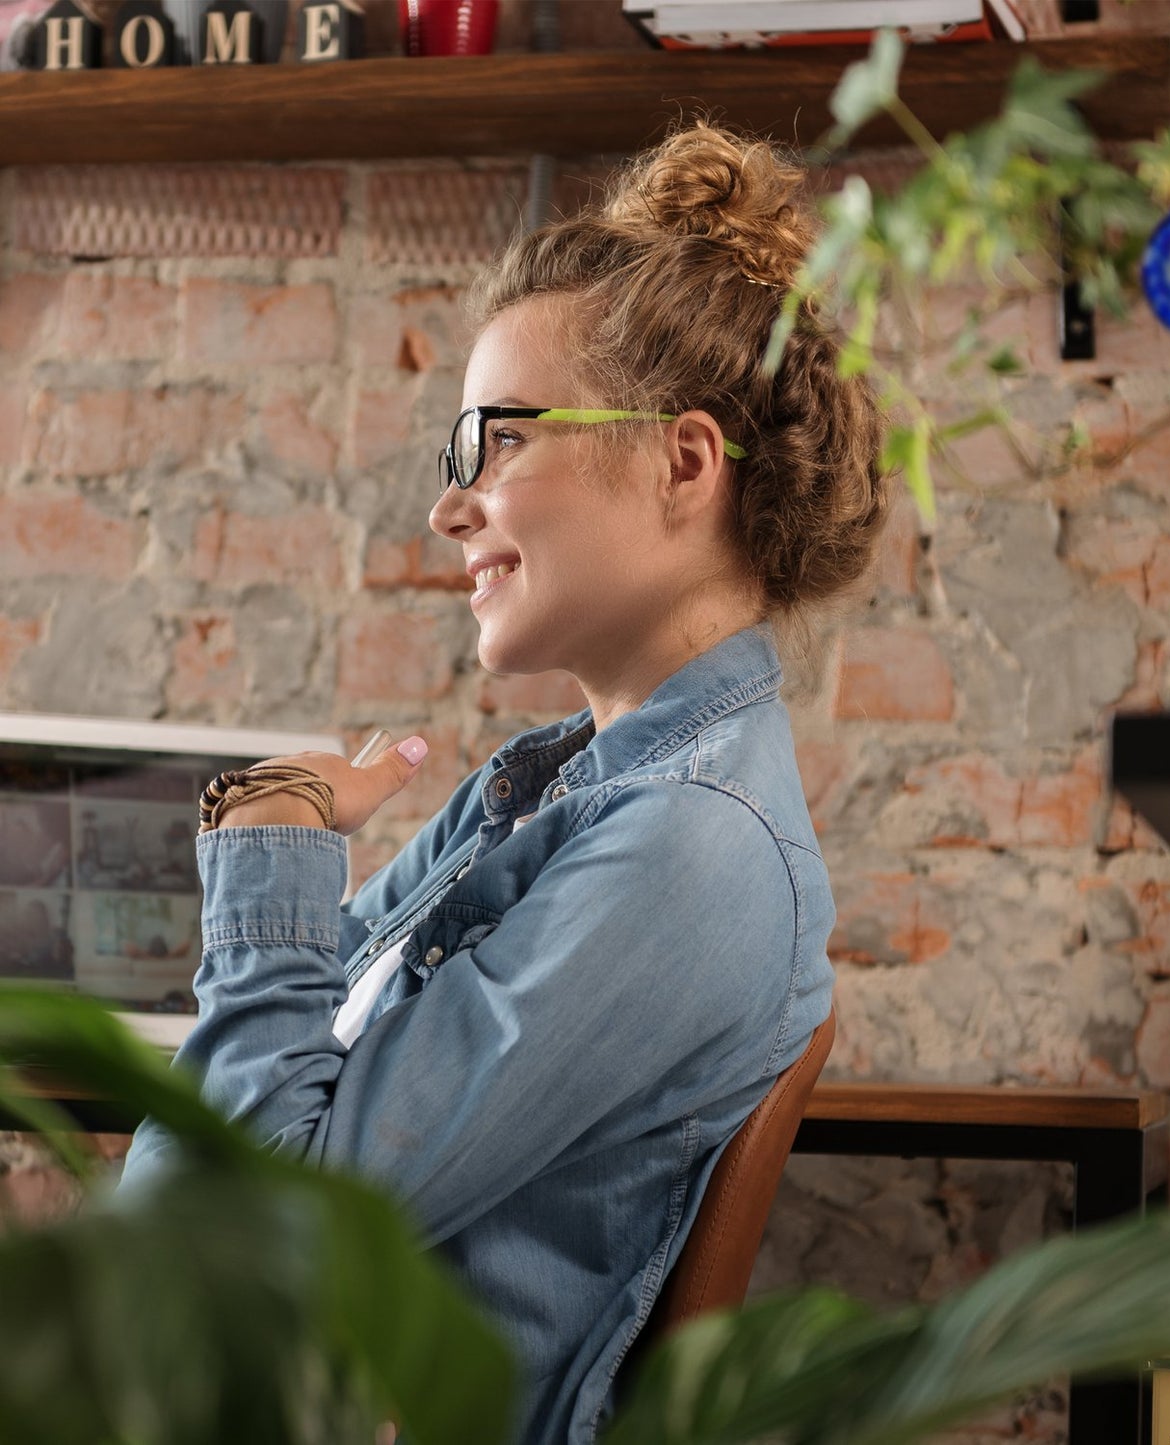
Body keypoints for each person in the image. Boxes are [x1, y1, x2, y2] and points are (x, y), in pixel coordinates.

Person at [121, 122, 889, 1443]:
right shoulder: (552, 794)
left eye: (497, 441)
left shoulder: (687, 851)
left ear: (683, 463)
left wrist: (273, 849)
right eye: (452, 452)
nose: (450, 505)